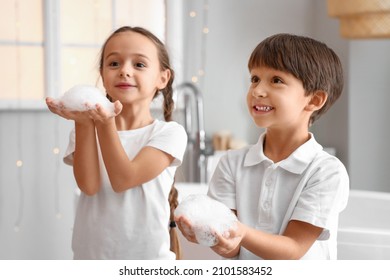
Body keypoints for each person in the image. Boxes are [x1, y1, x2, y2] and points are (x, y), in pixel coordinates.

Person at [175, 33, 349, 260]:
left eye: (276, 80)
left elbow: (293, 249)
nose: (257, 90)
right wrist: (221, 241)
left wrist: (239, 231)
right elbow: (232, 246)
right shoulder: (231, 163)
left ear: (314, 100)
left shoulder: (326, 171)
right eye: (255, 79)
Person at [46, 26, 187, 260]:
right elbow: (89, 187)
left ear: (163, 78)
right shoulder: (87, 127)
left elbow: (123, 179)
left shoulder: (169, 134)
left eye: (139, 64)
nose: (124, 71)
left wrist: (104, 123)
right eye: (114, 64)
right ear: (102, 75)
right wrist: (83, 125)